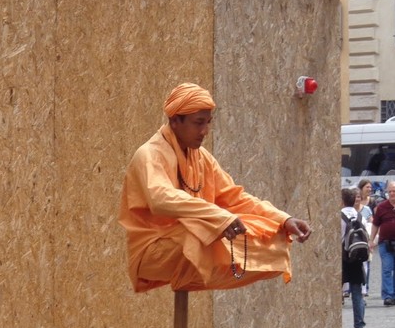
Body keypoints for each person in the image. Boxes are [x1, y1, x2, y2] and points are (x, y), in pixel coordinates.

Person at [119, 83, 312, 293]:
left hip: (193, 240)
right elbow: (160, 199)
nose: (205, 131)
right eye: (198, 123)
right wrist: (217, 218)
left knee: (267, 233)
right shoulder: (149, 154)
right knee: (200, 230)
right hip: (152, 251)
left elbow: (236, 198)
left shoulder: (202, 157)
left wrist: (283, 219)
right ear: (175, 121)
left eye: (208, 123)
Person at [341, 187, 367, 328]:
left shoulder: (340, 216)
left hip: (343, 256)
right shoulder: (359, 216)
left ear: (342, 201)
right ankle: (359, 325)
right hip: (356, 256)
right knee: (357, 292)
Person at [355, 179, 375, 296]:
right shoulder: (348, 208)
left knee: (366, 263)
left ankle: (364, 287)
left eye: (370, 187)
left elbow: (373, 222)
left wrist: (372, 239)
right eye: (367, 187)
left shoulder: (369, 206)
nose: (369, 189)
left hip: (365, 238)